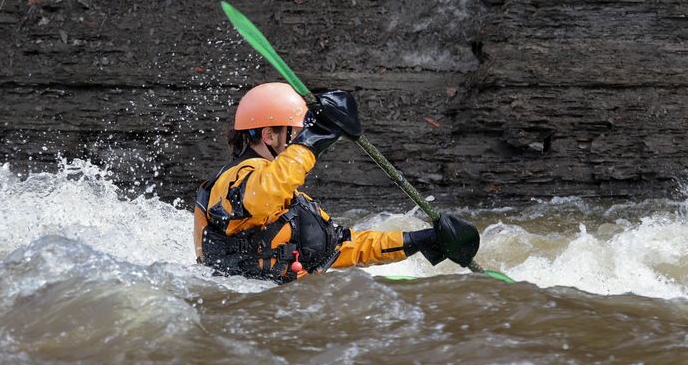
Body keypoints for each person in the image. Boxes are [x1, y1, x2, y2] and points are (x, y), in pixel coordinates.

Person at [193, 82, 479, 283]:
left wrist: (422, 240)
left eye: (305, 132)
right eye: (297, 132)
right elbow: (262, 195)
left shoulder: (287, 199)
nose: (302, 137)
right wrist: (315, 139)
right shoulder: (236, 178)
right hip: (244, 307)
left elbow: (345, 247)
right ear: (269, 136)